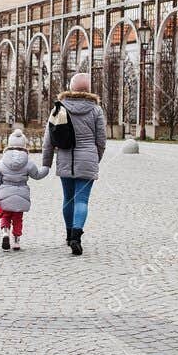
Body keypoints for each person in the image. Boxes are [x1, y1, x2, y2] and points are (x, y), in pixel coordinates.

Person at [41, 72, 108, 256]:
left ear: (71, 87)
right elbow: (101, 140)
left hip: (65, 159)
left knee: (68, 198)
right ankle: (77, 237)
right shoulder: (95, 110)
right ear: (88, 89)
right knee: (82, 200)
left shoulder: (59, 108)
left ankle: (69, 234)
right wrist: (95, 158)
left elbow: (49, 138)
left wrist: (46, 163)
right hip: (87, 159)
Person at [0, 128, 48, 251]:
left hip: (4, 193)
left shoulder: (1, 162)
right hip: (21, 193)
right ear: (24, 144)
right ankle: (16, 241)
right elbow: (37, 175)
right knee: (17, 218)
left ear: (9, 144)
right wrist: (46, 168)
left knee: (5, 215)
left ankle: (5, 232)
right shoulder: (28, 162)